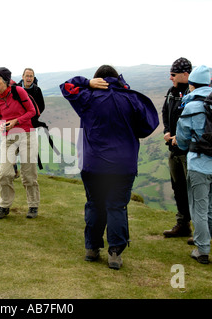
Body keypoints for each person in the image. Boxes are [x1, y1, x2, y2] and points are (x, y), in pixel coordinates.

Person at [60, 65, 159, 270]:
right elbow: (147, 126)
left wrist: (86, 83)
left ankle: (91, 249)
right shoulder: (131, 99)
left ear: (98, 80)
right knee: (116, 207)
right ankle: (115, 254)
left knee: (95, 204)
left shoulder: (87, 97)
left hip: (93, 164)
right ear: (117, 79)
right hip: (123, 165)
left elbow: (66, 86)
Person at [175, 65, 212, 264]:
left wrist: (182, 143)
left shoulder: (191, 106)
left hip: (199, 164)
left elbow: (182, 139)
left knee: (199, 208)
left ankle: (203, 250)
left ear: (192, 85)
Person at [0, 67, 40, 219]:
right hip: (8, 137)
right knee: (4, 173)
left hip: (27, 134)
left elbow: (32, 111)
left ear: (5, 80)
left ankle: (33, 206)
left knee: (28, 174)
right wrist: (1, 124)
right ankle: (4, 206)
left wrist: (16, 121)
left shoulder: (19, 92)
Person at [161, 57, 194, 240]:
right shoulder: (172, 92)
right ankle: (183, 225)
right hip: (173, 150)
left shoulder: (194, 93)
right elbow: (166, 113)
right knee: (178, 188)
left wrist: (179, 137)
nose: (170, 78)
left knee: (195, 190)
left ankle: (202, 233)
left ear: (185, 74)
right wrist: (167, 131)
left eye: (173, 74)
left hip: (190, 152)